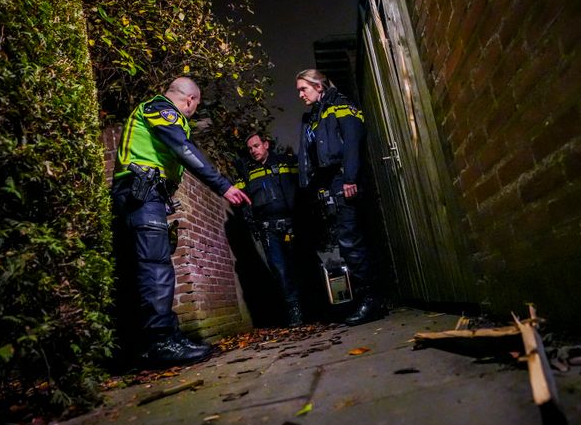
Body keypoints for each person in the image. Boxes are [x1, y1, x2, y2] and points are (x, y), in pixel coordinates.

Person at [111, 76, 250, 368]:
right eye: (195, 106)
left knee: (152, 265)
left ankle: (167, 337)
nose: (193, 111)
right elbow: (183, 149)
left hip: (144, 193)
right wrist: (223, 186)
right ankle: (161, 343)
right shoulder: (161, 109)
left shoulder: (156, 112)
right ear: (190, 100)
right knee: (155, 266)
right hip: (141, 192)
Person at [295, 69, 387, 325]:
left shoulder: (340, 105)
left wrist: (350, 178)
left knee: (350, 240)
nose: (300, 94)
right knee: (346, 240)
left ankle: (372, 301)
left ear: (319, 86)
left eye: (304, 88)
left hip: (344, 178)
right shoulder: (314, 115)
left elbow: (353, 141)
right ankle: (365, 299)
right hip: (331, 182)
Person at [234, 131, 303, 327]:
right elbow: (242, 202)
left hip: (291, 223)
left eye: (256, 146)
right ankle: (294, 311)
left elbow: (301, 184)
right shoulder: (247, 171)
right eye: (249, 149)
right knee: (280, 270)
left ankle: (315, 306)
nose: (253, 151)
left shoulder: (285, 162)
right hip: (267, 229)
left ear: (266, 144)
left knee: (300, 264)